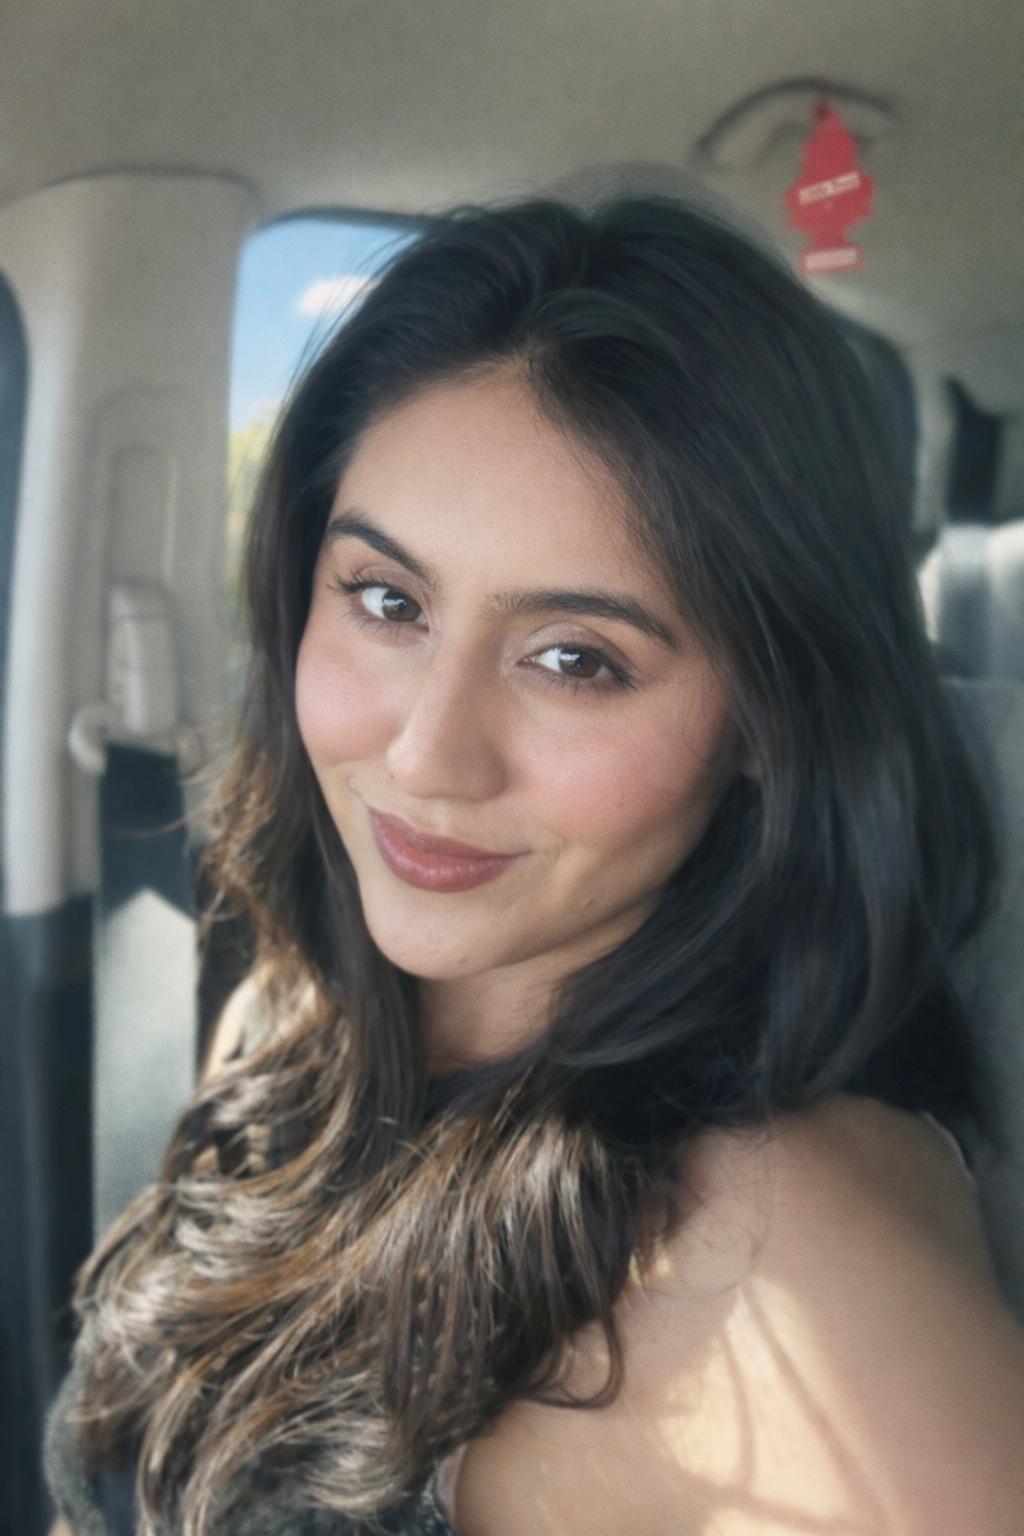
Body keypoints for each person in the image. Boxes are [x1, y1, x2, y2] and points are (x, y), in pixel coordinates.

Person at [46, 197, 1024, 1536]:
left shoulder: (783, 1262)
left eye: (578, 659)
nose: (429, 755)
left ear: (769, 720)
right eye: (387, 600)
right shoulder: (296, 1009)